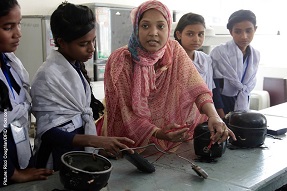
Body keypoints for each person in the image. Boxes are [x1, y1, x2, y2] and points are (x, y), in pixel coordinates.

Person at [100, 0, 236, 152]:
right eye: (145, 26)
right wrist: (157, 133)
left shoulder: (174, 50)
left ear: (168, 28)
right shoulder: (121, 60)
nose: (153, 32)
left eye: (160, 26)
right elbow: (125, 111)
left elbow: (196, 87)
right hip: (129, 144)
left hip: (168, 142)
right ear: (136, 28)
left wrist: (214, 116)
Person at [30, 2, 134, 171]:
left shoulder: (75, 67)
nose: (92, 48)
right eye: (83, 44)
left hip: (77, 153)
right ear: (62, 42)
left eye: (93, 41)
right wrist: (95, 141)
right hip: (55, 158)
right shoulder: (47, 77)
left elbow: (78, 121)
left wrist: (98, 148)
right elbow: (48, 133)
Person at [0, 0, 54, 187]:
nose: (18, 33)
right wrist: (11, 173)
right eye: (8, 27)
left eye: (19, 24)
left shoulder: (10, 64)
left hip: (18, 156)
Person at [210, 10, 260, 118]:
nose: (244, 36)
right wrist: (221, 116)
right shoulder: (219, 52)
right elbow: (214, 87)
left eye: (248, 31)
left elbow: (245, 88)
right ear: (230, 31)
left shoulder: (256, 55)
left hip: (242, 102)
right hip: (221, 104)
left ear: (255, 29)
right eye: (238, 31)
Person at [174, 12, 214, 90]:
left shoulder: (205, 59)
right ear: (179, 35)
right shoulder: (172, 59)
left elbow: (209, 88)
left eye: (200, 34)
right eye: (190, 34)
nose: (196, 39)